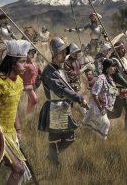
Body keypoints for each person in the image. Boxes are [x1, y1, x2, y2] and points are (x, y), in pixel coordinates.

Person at [0, 40, 32, 185]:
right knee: (19, 170)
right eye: (22, 62)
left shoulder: (18, 82)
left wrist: (18, 130)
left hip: (11, 133)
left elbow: (14, 108)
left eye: (26, 61)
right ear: (12, 63)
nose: (26, 65)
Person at [38, 37, 89, 166]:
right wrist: (78, 98)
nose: (64, 55)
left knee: (69, 137)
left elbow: (66, 87)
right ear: (54, 54)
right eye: (61, 53)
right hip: (54, 106)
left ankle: (51, 157)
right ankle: (54, 165)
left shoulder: (60, 69)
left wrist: (74, 90)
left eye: (64, 52)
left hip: (63, 106)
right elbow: (59, 89)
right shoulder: (49, 70)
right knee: (54, 139)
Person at [81, 59, 118, 139]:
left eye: (115, 66)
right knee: (105, 123)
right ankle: (87, 140)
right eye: (112, 66)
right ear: (107, 68)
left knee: (93, 124)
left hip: (103, 106)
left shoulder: (110, 78)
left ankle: (91, 140)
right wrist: (100, 107)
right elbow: (94, 93)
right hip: (96, 106)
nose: (114, 68)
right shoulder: (101, 78)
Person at [108, 42, 127, 130]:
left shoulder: (124, 60)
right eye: (121, 48)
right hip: (118, 89)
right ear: (116, 49)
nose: (124, 50)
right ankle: (101, 118)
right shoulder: (113, 61)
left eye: (124, 48)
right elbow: (118, 77)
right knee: (117, 113)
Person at [19, 45, 42, 113]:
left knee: (30, 101)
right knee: (34, 100)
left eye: (33, 53)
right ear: (27, 53)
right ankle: (28, 114)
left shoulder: (33, 62)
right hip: (27, 85)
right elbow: (20, 75)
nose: (33, 54)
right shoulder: (25, 63)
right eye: (31, 53)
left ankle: (29, 115)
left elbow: (36, 71)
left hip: (34, 84)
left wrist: (40, 75)